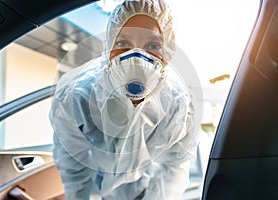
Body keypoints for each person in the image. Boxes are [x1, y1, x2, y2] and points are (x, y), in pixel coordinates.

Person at [50, 0, 201, 199]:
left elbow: (173, 169)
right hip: (98, 188)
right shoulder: (75, 97)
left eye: (153, 45)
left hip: (148, 189)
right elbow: (73, 167)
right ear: (108, 46)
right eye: (123, 44)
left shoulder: (180, 104)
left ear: (167, 53)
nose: (136, 58)